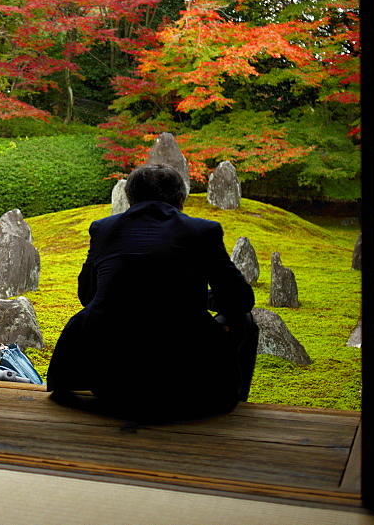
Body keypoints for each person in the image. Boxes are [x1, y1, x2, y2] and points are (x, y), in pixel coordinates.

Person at [47, 164, 258, 422]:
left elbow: (88, 293)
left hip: (107, 372)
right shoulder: (202, 231)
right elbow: (239, 300)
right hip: (184, 370)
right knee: (245, 321)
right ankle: (231, 396)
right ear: (181, 199)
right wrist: (195, 298)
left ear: (130, 198)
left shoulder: (104, 229)